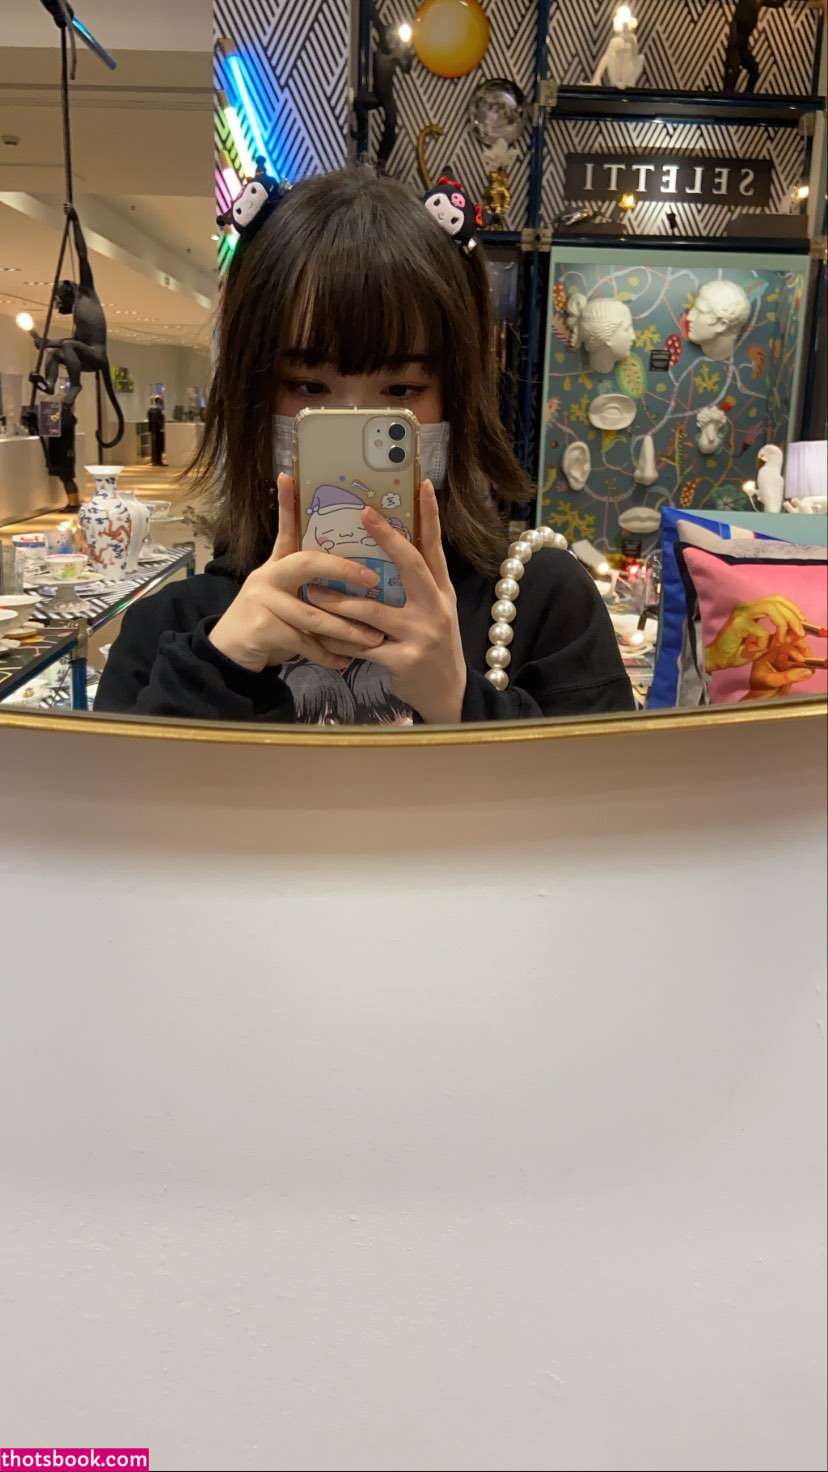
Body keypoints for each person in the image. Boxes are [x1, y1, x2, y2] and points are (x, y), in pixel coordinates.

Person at [95, 168, 633, 726]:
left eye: (401, 390)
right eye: (307, 387)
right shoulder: (174, 630)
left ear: (457, 399)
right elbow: (116, 786)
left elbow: (609, 784)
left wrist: (457, 699)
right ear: (248, 395)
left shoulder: (545, 601)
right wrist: (218, 668)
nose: (352, 419)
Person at [147, 394, 165, 466]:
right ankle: (158, 461)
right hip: (157, 430)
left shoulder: (151, 409)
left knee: (155, 445)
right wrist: (162, 427)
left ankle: (155, 461)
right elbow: (157, 420)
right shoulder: (157, 409)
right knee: (158, 446)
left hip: (154, 430)